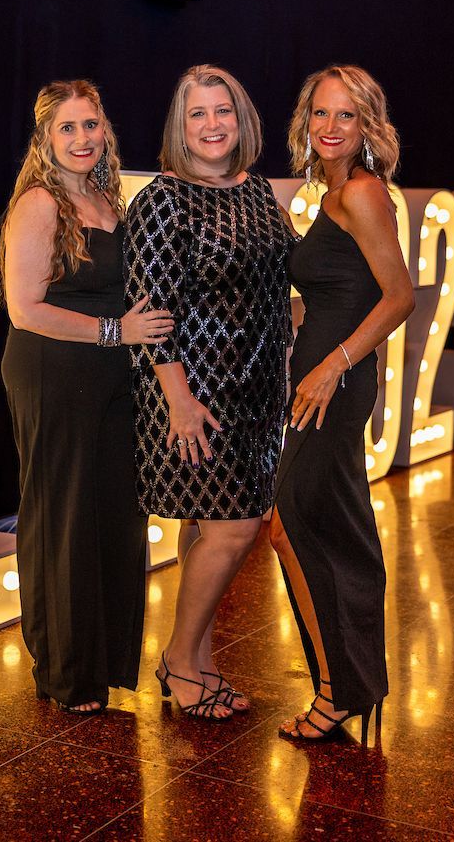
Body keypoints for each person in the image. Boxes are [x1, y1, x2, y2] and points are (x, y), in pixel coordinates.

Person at [125, 65, 296, 720]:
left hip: (258, 389)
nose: (213, 124)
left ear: (241, 117)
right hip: (195, 392)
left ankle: (197, 658)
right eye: (197, 114)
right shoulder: (164, 199)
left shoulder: (259, 193)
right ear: (180, 126)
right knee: (234, 526)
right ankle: (176, 658)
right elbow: (153, 307)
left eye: (222, 110)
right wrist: (179, 400)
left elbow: (277, 282)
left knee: (205, 526)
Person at [0, 80, 173, 714]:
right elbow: (24, 309)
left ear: (106, 130)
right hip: (55, 370)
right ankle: (67, 673)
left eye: (90, 125)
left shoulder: (109, 198)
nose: (82, 138)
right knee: (65, 517)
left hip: (111, 375)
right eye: (67, 128)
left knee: (115, 518)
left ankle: (101, 662)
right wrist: (115, 331)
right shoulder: (40, 204)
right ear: (46, 138)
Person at [271, 65, 413, 744]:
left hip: (337, 384)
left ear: (367, 126)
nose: (330, 126)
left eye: (346, 115)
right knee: (318, 524)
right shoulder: (327, 195)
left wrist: (333, 363)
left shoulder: (360, 193)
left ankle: (339, 690)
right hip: (319, 379)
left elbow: (399, 296)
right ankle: (351, 683)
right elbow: (342, 290)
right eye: (321, 114)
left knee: (297, 521)